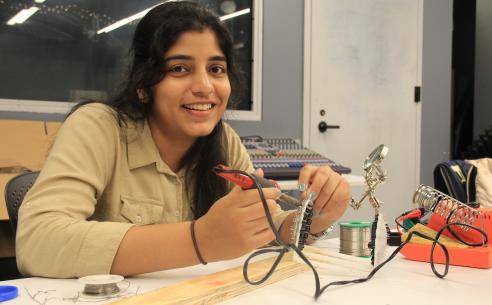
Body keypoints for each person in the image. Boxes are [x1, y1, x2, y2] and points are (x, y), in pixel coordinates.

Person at [16, 1, 351, 278]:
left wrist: (317, 215)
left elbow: (267, 225)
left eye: (216, 69)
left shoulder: (224, 140)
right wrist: (199, 240)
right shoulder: (100, 128)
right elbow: (37, 242)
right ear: (144, 83)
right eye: (179, 69)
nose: (205, 86)